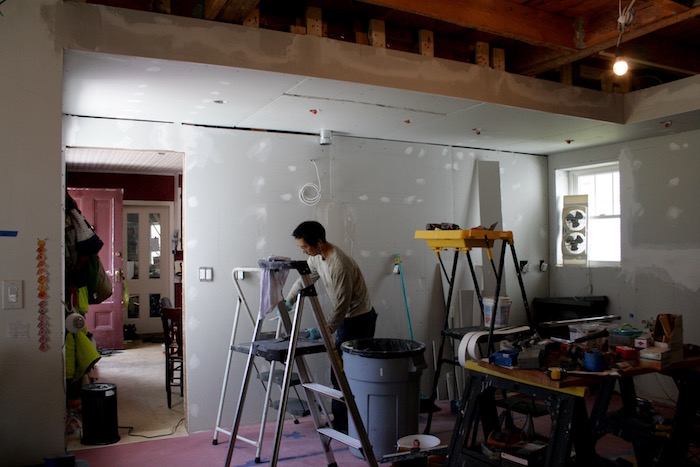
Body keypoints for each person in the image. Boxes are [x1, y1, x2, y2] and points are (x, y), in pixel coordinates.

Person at [285, 220, 377, 432]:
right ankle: (345, 422)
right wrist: (289, 300)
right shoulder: (317, 257)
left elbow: (341, 307)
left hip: (358, 320)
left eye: (305, 247)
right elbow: (304, 280)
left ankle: (347, 425)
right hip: (347, 318)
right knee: (340, 374)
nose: (304, 251)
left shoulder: (339, 264)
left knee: (344, 373)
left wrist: (324, 330)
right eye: (301, 247)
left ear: (318, 242)